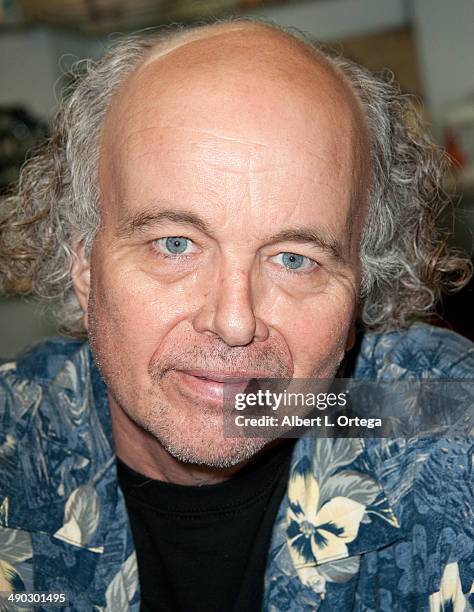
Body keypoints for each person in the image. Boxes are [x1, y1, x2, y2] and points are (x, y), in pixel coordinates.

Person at [0, 18, 473, 612]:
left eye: (294, 259)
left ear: (361, 289)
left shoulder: (437, 421)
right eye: (175, 244)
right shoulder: (12, 443)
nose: (233, 321)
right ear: (85, 265)